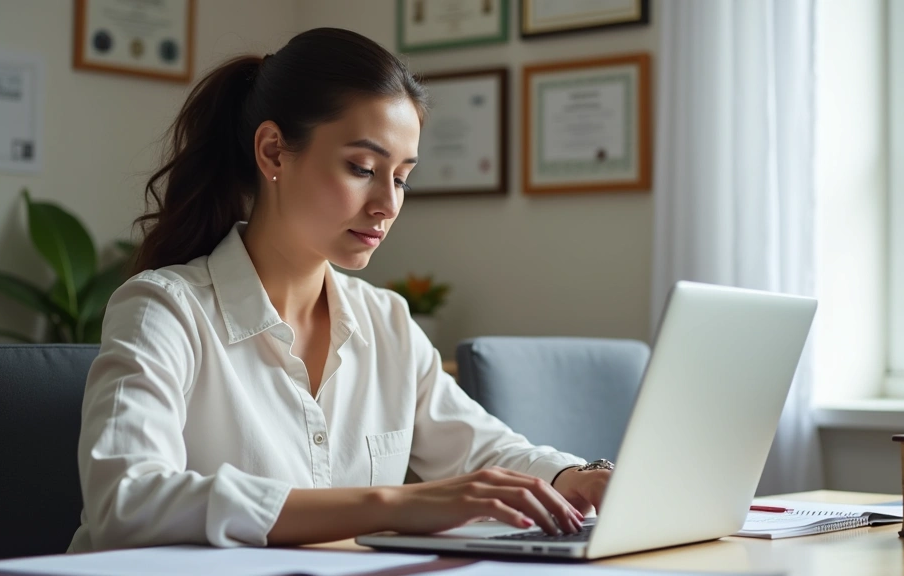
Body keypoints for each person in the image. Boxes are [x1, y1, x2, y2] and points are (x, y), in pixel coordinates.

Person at [69, 28, 611, 553]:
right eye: (362, 168)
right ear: (274, 152)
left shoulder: (388, 323)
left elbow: (484, 450)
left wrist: (580, 477)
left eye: (400, 177)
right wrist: (390, 504)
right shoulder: (163, 310)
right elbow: (127, 502)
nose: (388, 204)